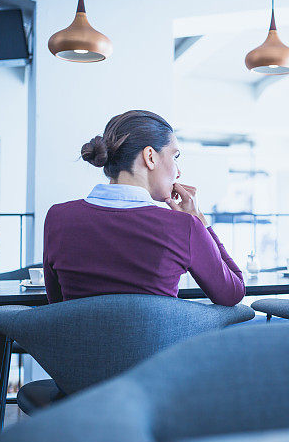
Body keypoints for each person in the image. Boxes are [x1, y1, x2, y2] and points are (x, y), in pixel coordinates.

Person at [42, 110, 245, 306]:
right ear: (150, 157)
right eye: (175, 157)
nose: (179, 172)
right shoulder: (184, 226)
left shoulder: (58, 217)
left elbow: (57, 307)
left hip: (76, 341)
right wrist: (198, 219)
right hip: (161, 342)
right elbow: (233, 293)